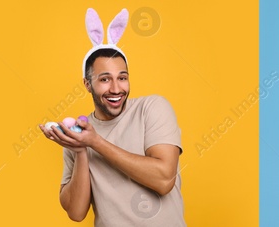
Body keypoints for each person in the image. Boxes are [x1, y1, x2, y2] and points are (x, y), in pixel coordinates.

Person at [43, 8, 185, 226]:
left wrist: (95, 142)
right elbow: (76, 212)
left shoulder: (152, 108)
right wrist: (81, 150)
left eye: (123, 77)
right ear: (87, 84)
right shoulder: (79, 135)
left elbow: (164, 179)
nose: (116, 88)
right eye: (105, 79)